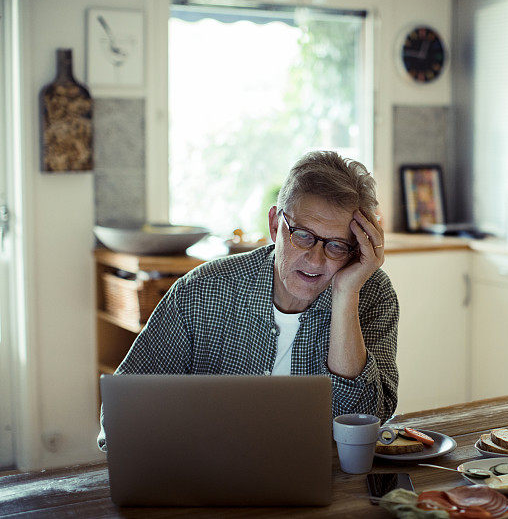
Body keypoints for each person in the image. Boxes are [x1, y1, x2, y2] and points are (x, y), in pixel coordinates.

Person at [98, 151, 399, 450]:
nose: (315, 259)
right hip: (201, 480)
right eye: (303, 235)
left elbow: (364, 421)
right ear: (274, 225)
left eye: (336, 245)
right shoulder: (200, 291)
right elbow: (120, 415)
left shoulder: (370, 293)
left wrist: (346, 296)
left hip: (329, 485)